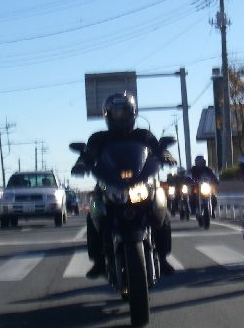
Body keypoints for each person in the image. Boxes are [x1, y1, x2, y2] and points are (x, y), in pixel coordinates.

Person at [72, 92, 177, 278]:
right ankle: (98, 261)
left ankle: (162, 257)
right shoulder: (99, 138)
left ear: (132, 113)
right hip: (109, 184)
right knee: (94, 212)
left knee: (161, 206)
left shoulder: (143, 135)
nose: (120, 116)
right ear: (108, 115)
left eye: (124, 111)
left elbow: (157, 148)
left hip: (141, 183)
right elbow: (89, 153)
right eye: (116, 112)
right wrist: (82, 162)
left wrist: (165, 154)